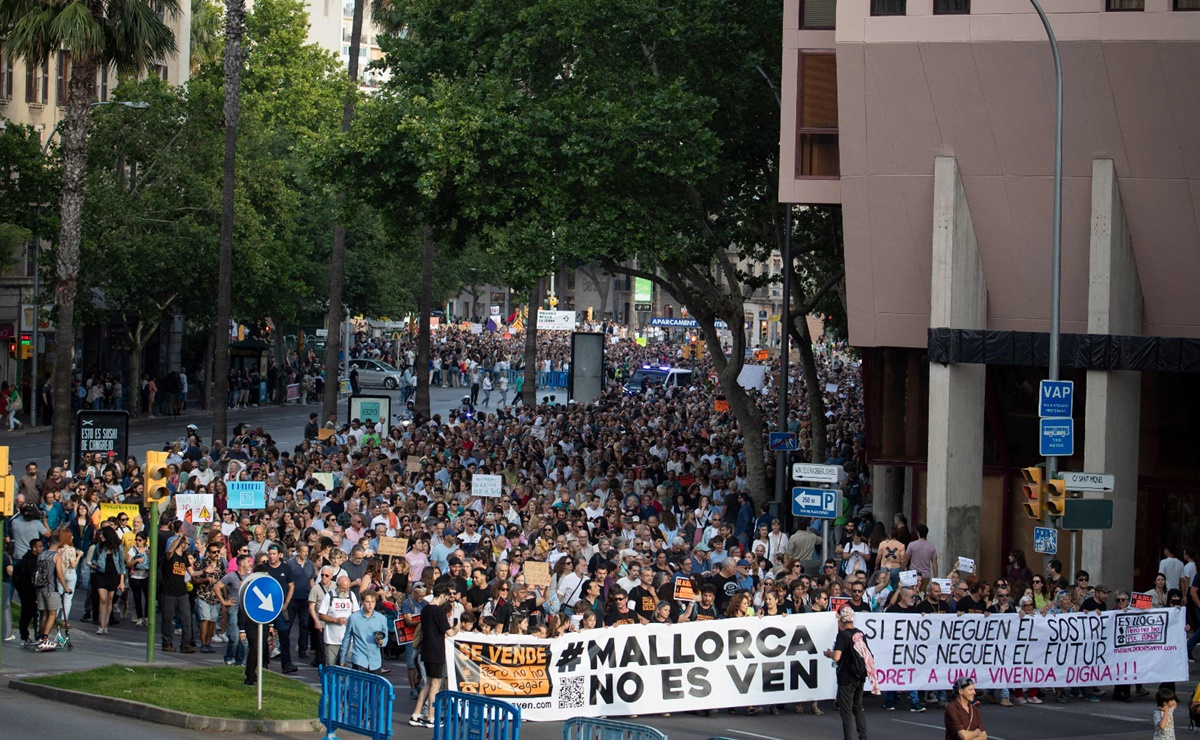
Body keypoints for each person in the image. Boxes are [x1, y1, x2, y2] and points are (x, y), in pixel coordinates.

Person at [412, 582, 460, 728]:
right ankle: (432, 717)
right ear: (443, 596)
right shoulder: (438, 611)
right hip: (436, 651)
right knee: (435, 684)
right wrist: (457, 628)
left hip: (426, 650)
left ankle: (416, 714)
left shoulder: (425, 609)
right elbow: (450, 632)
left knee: (428, 683)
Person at [824, 606, 876, 740]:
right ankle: (863, 736)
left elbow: (836, 657)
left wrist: (829, 654)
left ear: (841, 620)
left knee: (845, 711)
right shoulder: (859, 634)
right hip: (859, 676)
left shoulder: (842, 635)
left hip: (846, 677)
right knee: (858, 707)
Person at [160, 535, 196, 653]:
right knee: (168, 619)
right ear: (182, 544)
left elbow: (192, 573)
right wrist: (178, 538)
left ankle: (185, 644)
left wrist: (205, 571)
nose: (188, 546)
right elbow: (170, 551)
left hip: (182, 592)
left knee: (186, 618)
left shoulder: (184, 558)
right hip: (169, 592)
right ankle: (167, 643)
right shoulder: (170, 556)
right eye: (187, 544)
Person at [340, 590, 390, 674]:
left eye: (373, 602)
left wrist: (381, 642)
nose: (370, 605)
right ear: (362, 602)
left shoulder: (382, 619)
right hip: (359, 659)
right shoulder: (353, 618)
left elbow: (385, 638)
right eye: (367, 602)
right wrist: (342, 659)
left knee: (374, 687)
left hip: (375, 661)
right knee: (361, 686)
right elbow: (346, 639)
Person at [318, 575, 360, 667]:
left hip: (348, 639)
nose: (345, 591)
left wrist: (350, 621)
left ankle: (347, 681)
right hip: (332, 639)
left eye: (347, 588)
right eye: (343, 588)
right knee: (331, 665)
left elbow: (356, 614)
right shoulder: (329, 596)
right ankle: (330, 681)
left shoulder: (351, 595)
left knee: (348, 664)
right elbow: (321, 615)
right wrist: (335, 620)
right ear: (337, 585)